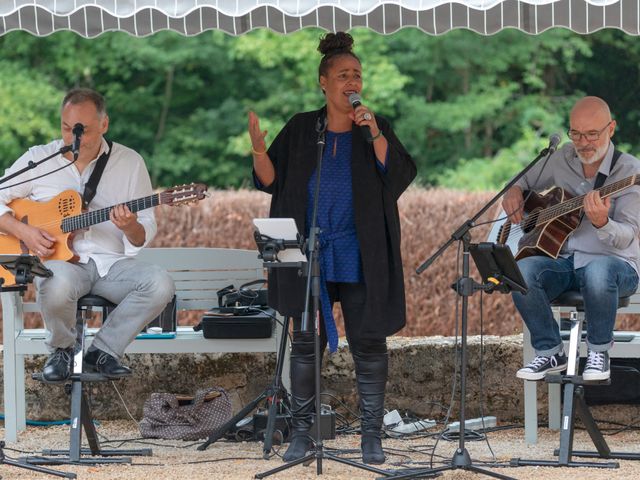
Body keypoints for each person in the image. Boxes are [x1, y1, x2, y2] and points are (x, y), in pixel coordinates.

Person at [249, 32, 416, 464]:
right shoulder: (304, 127)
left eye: (357, 74)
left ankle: (371, 437)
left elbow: (397, 174)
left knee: (369, 342)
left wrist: (375, 131)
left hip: (360, 251)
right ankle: (302, 434)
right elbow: (271, 180)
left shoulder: (374, 128)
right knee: (306, 343)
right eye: (343, 74)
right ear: (323, 82)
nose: (352, 80)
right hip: (310, 253)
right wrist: (257, 149)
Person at [0, 88, 175, 382]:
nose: (74, 139)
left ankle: (103, 352)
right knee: (55, 283)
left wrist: (130, 226)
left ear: (104, 125)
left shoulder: (130, 163)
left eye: (83, 130)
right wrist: (24, 231)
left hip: (112, 265)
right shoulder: (39, 159)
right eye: (67, 129)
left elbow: (144, 230)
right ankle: (62, 351)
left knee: (160, 284)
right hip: (63, 264)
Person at [502, 96, 640, 382]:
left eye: (592, 133)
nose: (583, 142)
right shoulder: (561, 158)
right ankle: (550, 351)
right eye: (576, 133)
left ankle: (599, 352)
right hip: (564, 262)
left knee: (599, 272)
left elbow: (627, 236)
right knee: (521, 272)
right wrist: (514, 189)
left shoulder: (629, 171)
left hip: (616, 266)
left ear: (611, 129)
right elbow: (523, 179)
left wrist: (602, 222)